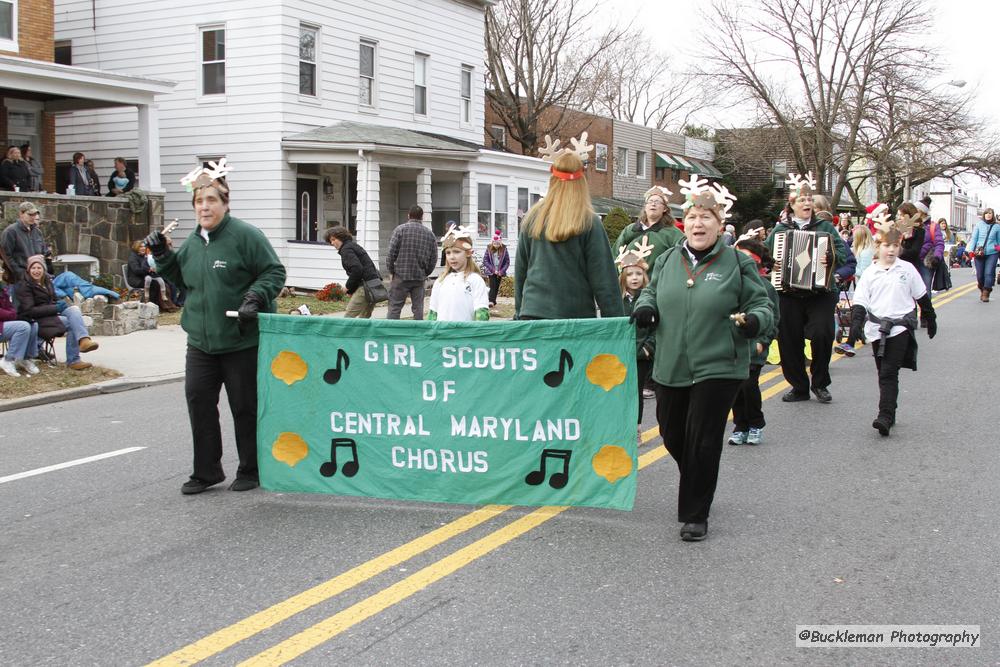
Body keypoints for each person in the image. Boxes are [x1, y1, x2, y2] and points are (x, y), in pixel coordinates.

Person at [631, 175, 774, 541]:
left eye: (706, 218)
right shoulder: (666, 259)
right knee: (673, 433)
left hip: (719, 365)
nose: (698, 223)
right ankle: (697, 478)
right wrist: (645, 309)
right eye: (692, 217)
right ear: (684, 223)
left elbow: (762, 304)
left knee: (704, 439)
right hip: (670, 365)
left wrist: (754, 321)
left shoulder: (737, 263)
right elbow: (649, 293)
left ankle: (696, 514)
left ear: (720, 225)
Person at [144, 160, 286, 494]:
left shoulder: (245, 236)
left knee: (244, 407)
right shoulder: (194, 242)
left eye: (211, 200)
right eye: (199, 201)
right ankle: (206, 472)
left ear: (225, 203)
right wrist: (164, 255)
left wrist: (254, 297)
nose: (204, 207)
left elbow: (273, 272)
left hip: (240, 340)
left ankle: (251, 469)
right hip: (201, 342)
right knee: (198, 401)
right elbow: (182, 281)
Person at [515, 134, 623, 319]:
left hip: (533, 315)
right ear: (581, 183)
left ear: (552, 181)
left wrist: (519, 314)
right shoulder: (588, 222)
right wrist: (616, 325)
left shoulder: (533, 218)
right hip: (574, 319)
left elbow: (520, 272)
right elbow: (605, 281)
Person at [765, 172, 847, 403]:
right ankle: (798, 386)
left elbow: (842, 253)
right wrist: (774, 262)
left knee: (822, 333)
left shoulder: (826, 228)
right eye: (802, 200)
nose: (807, 203)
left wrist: (829, 257)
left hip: (820, 292)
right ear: (791, 205)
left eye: (810, 200)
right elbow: (765, 254)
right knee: (788, 340)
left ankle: (820, 383)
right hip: (788, 292)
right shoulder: (780, 231)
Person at [850, 220, 937, 436]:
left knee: (889, 371)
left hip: (900, 328)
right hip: (876, 329)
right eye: (886, 246)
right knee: (883, 371)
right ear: (878, 247)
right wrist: (855, 327)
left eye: (895, 246)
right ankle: (891, 408)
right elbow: (860, 302)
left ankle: (885, 416)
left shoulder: (907, 269)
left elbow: (921, 296)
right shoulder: (870, 273)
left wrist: (931, 317)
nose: (891, 250)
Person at [728, 236, 779, 446]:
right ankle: (740, 426)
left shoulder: (766, 287)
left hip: (755, 346)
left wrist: (763, 341)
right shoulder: (729, 283)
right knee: (736, 388)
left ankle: (756, 424)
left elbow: (774, 319)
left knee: (749, 385)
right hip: (734, 346)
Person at [15, 254, 99, 371]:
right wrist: (55, 308)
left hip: (50, 316)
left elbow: (53, 300)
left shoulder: (47, 282)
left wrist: (58, 305)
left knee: (74, 310)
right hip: (36, 320)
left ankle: (84, 341)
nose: (36, 271)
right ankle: (74, 359)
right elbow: (29, 311)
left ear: (43, 269)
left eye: (39, 268)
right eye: (33, 268)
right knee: (72, 323)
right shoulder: (25, 286)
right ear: (29, 270)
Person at [616, 246, 655, 440]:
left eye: (638, 273)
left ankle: (636, 429)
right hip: (621, 353)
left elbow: (657, 328)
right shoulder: (617, 301)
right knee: (619, 392)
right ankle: (620, 426)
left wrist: (648, 348)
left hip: (641, 354)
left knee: (635, 392)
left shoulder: (649, 299)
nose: (634, 278)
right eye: (630, 274)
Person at [385, 205, 438, 320]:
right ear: (422, 217)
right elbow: (433, 258)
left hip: (400, 276)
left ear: (408, 215)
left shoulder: (400, 230)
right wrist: (426, 272)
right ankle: (418, 333)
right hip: (419, 277)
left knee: (395, 307)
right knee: (418, 308)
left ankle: (390, 332)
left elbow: (391, 253)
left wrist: (391, 271)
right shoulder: (429, 234)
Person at [427, 225, 489, 321]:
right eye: (448, 253)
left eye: (456, 252)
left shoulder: (475, 280)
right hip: (442, 334)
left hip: (464, 335)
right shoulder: (440, 281)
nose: (452, 257)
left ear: (468, 253)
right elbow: (433, 313)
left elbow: (481, 314)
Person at [613, 186, 684, 268]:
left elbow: (682, 258)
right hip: (629, 278)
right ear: (645, 207)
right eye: (650, 201)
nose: (653, 204)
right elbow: (615, 254)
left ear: (665, 209)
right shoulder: (630, 230)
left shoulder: (673, 233)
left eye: (657, 202)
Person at [324, 225, 380, 319]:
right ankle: (361, 334)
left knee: (348, 318)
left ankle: (342, 334)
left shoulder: (346, 249)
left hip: (366, 287)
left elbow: (357, 269)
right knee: (364, 317)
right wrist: (352, 289)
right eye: (330, 241)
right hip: (374, 284)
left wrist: (347, 287)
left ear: (341, 237)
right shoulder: (353, 246)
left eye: (334, 239)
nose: (332, 243)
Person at [0, 280, 40, 377]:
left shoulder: (2, 289)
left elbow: (10, 307)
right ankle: (8, 360)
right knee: (23, 327)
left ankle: (25, 359)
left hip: (3, 323)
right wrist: (11, 314)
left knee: (32, 324)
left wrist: (12, 314)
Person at [1, 202, 47, 284]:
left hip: (38, 278)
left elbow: (44, 252)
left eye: (35, 214)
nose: (33, 217)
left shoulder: (37, 232)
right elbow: (6, 256)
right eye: (30, 214)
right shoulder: (10, 231)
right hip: (19, 280)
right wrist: (20, 273)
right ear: (21, 214)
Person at [126, 240, 177, 312]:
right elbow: (136, 270)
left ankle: (167, 305)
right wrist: (148, 270)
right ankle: (152, 306)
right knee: (155, 284)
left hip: (146, 277)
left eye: (144, 246)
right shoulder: (133, 257)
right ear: (136, 248)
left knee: (167, 283)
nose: (143, 248)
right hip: (136, 280)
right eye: (140, 247)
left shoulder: (144, 256)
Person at [967, 208, 1000, 302]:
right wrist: (970, 251)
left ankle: (986, 292)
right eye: (987, 213)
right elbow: (974, 239)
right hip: (979, 253)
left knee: (989, 272)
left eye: (990, 213)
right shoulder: (979, 225)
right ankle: (982, 288)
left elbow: (999, 241)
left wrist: (998, 248)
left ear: (993, 215)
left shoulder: (997, 226)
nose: (988, 215)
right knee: (980, 275)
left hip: (992, 253)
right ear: (984, 215)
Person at [481, 230, 510, 308]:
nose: (496, 245)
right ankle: (490, 301)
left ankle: (493, 301)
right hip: (492, 271)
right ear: (492, 243)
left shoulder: (504, 249)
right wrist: (493, 270)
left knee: (496, 286)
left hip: (500, 271)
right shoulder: (489, 249)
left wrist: (502, 271)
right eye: (494, 243)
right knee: (493, 285)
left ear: (500, 243)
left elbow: (507, 262)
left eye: (498, 244)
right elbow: (485, 260)